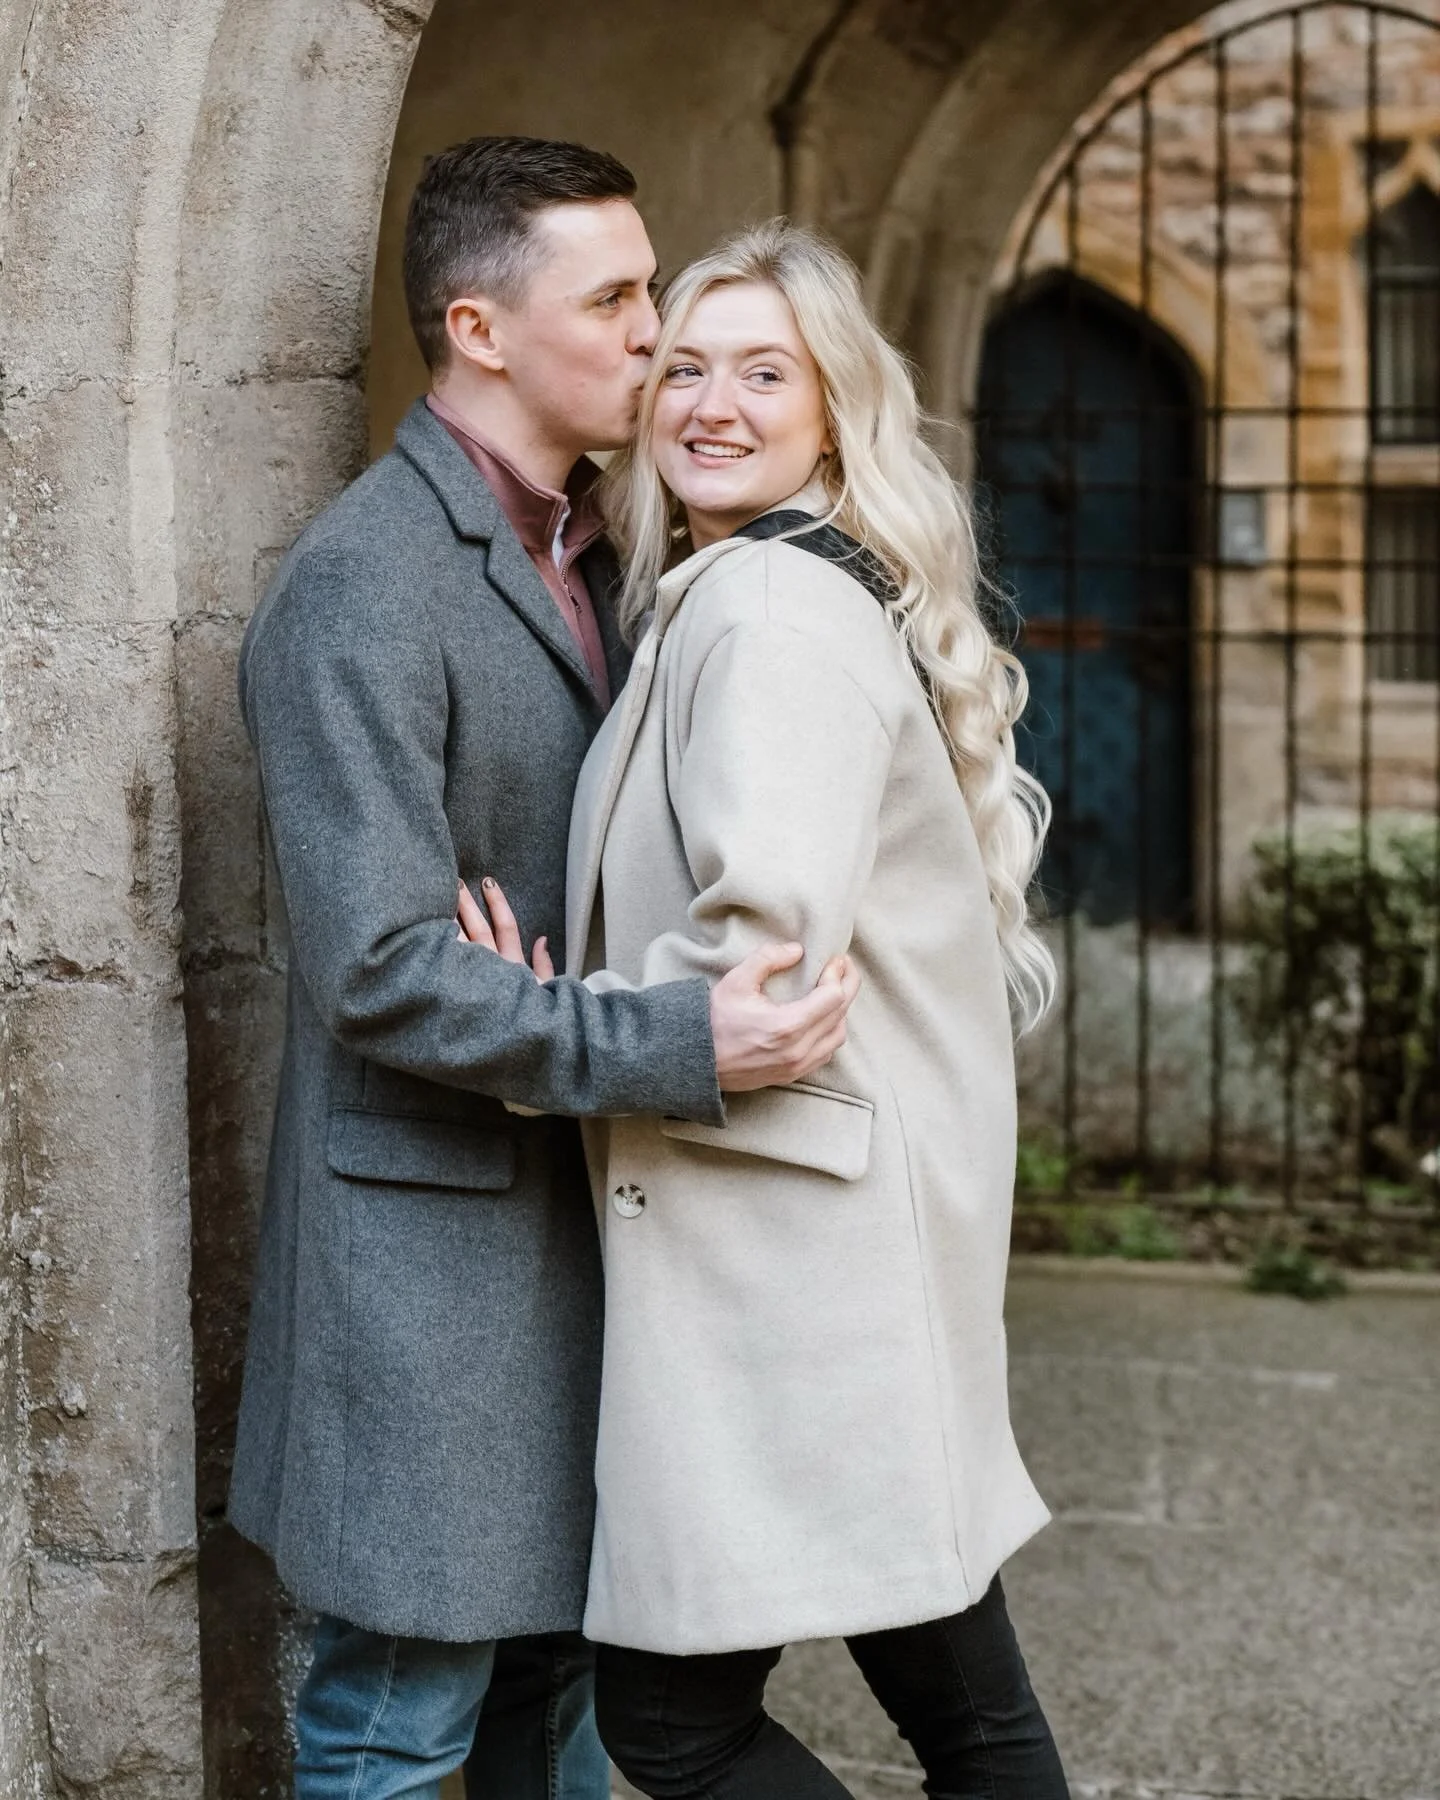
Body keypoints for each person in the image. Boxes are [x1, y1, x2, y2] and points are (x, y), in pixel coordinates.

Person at [230, 141, 858, 1800]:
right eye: (617, 298)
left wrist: (561, 995)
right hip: (427, 1279)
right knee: (395, 1727)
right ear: (480, 328)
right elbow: (383, 971)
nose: (655, 331)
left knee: (564, 1716)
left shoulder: (616, 557)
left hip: (592, 1245)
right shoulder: (359, 587)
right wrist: (668, 1036)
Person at [470, 219, 1069, 1798]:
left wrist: (544, 1035)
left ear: (833, 414)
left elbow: (763, 971)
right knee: (970, 1714)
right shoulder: (759, 590)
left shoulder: (762, 613)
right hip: (843, 1246)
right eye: (685, 368)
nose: (713, 405)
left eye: (764, 374)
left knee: (677, 1728)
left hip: (788, 1263)